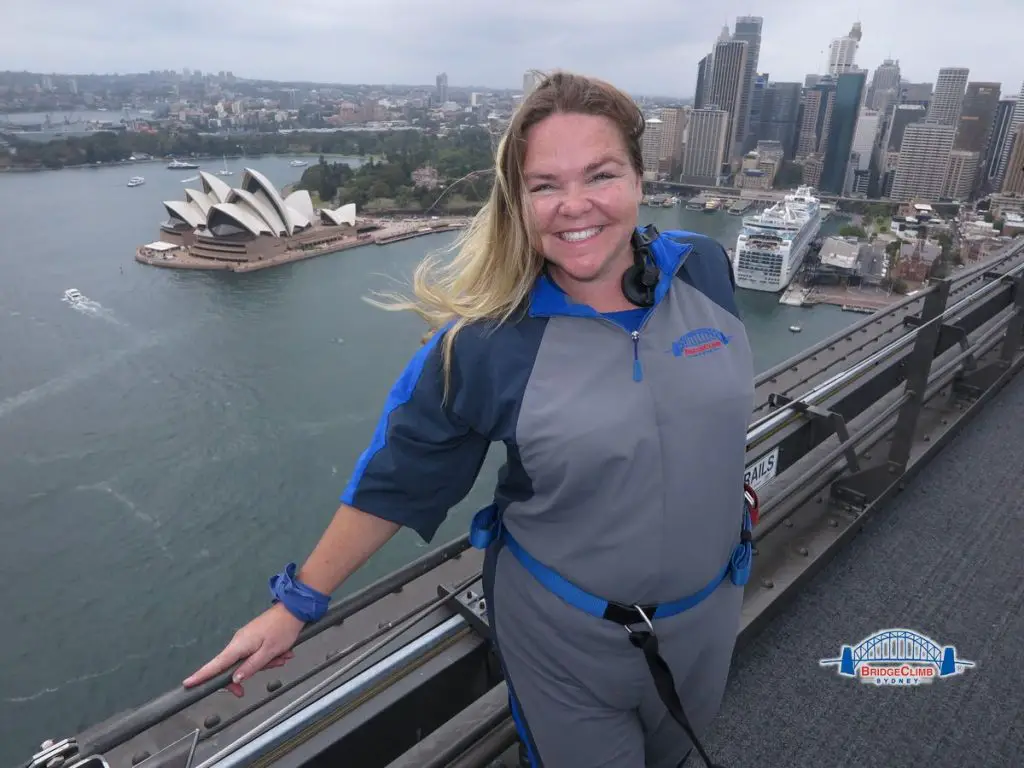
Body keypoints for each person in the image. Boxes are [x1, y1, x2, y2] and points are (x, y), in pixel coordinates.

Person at [184, 71, 756, 768]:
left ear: (641, 177)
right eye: (544, 185)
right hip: (565, 637)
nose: (574, 205)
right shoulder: (487, 343)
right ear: (518, 203)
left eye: (600, 174)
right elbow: (401, 476)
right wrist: (297, 602)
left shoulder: (704, 269)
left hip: (710, 612)